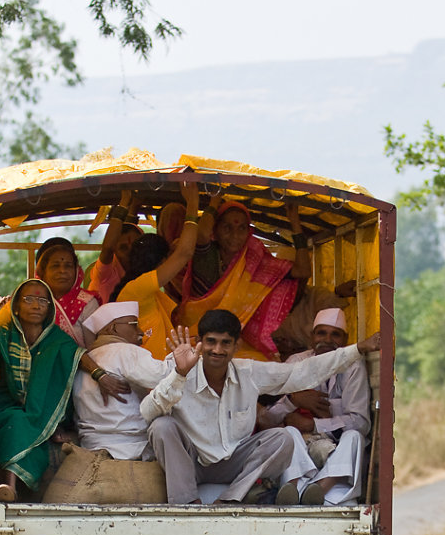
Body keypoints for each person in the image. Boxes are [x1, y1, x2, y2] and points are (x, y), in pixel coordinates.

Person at [140, 308, 380, 506]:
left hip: (233, 462)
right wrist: (180, 374)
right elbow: (147, 413)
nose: (217, 350)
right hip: (191, 461)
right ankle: (187, 505)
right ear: (199, 343)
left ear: (236, 346)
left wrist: (357, 349)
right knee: (162, 426)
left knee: (283, 438)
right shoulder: (180, 366)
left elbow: (301, 373)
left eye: (226, 343)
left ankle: (230, 501)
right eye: (210, 342)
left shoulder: (249, 372)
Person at [0, 280, 128, 502]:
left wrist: (100, 376)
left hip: (43, 406)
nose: (36, 305)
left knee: (21, 423)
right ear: (15, 306)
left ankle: (10, 486)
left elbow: (78, 355)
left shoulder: (56, 338)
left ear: (49, 309)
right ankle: (11, 483)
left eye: (43, 301)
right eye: (29, 299)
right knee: (16, 421)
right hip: (7, 403)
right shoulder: (4, 335)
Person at [177, 199, 312, 359]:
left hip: (235, 344)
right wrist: (213, 202)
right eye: (227, 227)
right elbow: (201, 234)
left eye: (241, 228)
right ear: (216, 230)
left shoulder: (257, 260)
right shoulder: (207, 255)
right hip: (195, 340)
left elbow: (303, 271)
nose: (235, 235)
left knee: (264, 364)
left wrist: (295, 223)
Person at [265, 307, 373, 505]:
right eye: (321, 332)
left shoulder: (353, 366)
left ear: (345, 339)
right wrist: (293, 402)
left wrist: (312, 425)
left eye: (335, 334)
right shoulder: (296, 363)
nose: (328, 339)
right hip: (300, 453)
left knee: (355, 436)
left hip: (335, 452)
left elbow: (361, 422)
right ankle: (294, 487)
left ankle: (319, 490)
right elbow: (268, 419)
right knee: (288, 432)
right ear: (312, 336)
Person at [112, 183, 207, 360]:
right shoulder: (139, 288)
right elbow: (184, 253)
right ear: (162, 261)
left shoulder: (146, 290)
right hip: (148, 377)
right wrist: (193, 204)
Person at [73, 301, 168, 458]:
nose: (141, 331)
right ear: (113, 328)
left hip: (91, 446)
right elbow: (164, 376)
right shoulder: (125, 352)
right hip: (133, 446)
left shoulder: (85, 361)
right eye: (134, 324)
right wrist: (184, 357)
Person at [0, 237, 100, 347]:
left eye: (68, 265)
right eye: (55, 266)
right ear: (42, 271)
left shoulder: (87, 303)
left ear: (77, 270)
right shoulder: (25, 299)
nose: (62, 271)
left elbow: (95, 350)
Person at [87, 191, 143, 304]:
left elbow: (128, 233)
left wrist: (134, 207)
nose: (131, 251)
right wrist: (123, 203)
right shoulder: (107, 272)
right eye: (123, 248)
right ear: (115, 251)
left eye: (136, 246)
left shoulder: (142, 270)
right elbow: (108, 248)